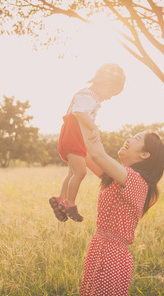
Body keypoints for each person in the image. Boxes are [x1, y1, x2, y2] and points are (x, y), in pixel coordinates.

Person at [76, 129, 164, 296]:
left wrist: (84, 119)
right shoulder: (117, 176)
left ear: (145, 154)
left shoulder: (138, 182)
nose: (129, 139)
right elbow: (85, 152)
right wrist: (75, 118)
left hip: (112, 256)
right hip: (98, 247)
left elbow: (98, 155)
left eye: (136, 139)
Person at [49, 63, 126, 222]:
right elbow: (79, 112)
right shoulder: (88, 96)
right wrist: (94, 127)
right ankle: (69, 204)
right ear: (105, 84)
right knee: (80, 172)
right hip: (73, 136)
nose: (110, 97)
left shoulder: (90, 97)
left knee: (72, 173)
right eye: (111, 93)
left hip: (73, 136)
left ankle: (60, 199)